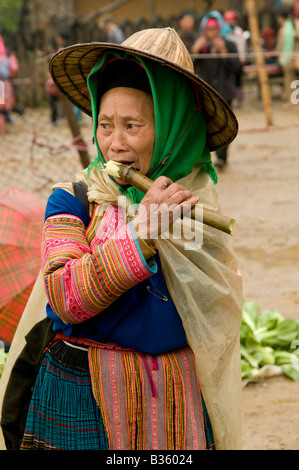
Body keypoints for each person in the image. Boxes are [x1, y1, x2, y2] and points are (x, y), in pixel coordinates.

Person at [19, 27, 243, 450]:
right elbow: (65, 296)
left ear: (174, 128)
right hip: (82, 395)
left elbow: (213, 314)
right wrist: (140, 234)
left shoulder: (192, 206)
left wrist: (164, 224)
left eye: (133, 126)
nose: (114, 145)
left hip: (177, 403)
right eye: (105, 125)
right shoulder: (73, 201)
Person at [192, 14, 240, 168]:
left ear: (219, 29)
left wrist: (223, 51)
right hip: (205, 91)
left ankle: (222, 158)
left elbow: (236, 68)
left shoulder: (229, 44)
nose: (211, 32)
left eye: (214, 29)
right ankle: (205, 158)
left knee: (224, 124)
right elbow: (189, 67)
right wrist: (195, 50)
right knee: (203, 124)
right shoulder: (200, 45)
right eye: (208, 29)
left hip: (224, 91)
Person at [224, 10, 249, 108]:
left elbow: (242, 47)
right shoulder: (226, 32)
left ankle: (239, 101)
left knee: (238, 81)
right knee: (231, 80)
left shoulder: (239, 32)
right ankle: (232, 100)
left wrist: (242, 59)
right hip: (231, 60)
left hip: (238, 60)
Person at [275, 4, 296, 103]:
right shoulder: (293, 25)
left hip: (289, 59)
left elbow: (280, 46)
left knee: (290, 81)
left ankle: (292, 103)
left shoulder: (285, 28)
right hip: (293, 58)